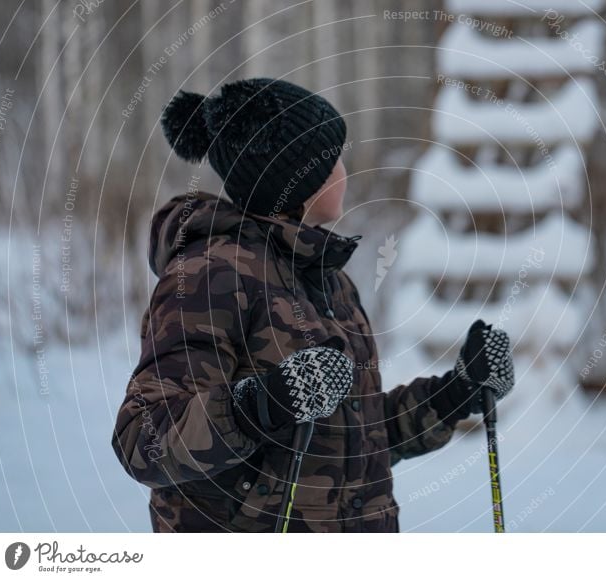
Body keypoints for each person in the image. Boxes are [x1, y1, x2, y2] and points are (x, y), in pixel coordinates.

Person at [111, 78, 515, 533]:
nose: (344, 168)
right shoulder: (212, 276)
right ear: (298, 177)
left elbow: (353, 436)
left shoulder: (327, 280)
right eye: (333, 158)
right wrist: (257, 407)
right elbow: (142, 437)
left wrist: (455, 393)